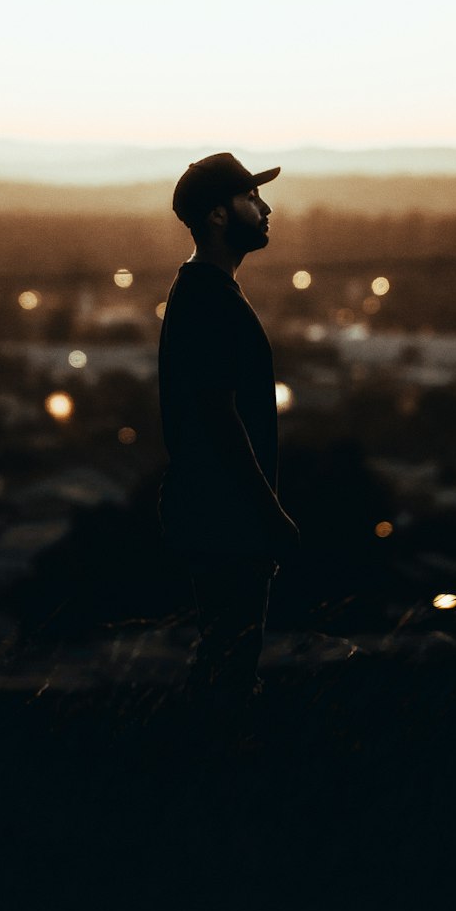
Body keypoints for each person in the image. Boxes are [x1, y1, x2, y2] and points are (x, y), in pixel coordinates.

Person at [157, 152, 301, 746]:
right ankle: (208, 784)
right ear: (218, 215)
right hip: (225, 515)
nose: (265, 209)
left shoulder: (205, 292)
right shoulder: (209, 299)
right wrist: (269, 511)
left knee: (225, 662)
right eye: (251, 199)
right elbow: (219, 414)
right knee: (228, 669)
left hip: (220, 511)